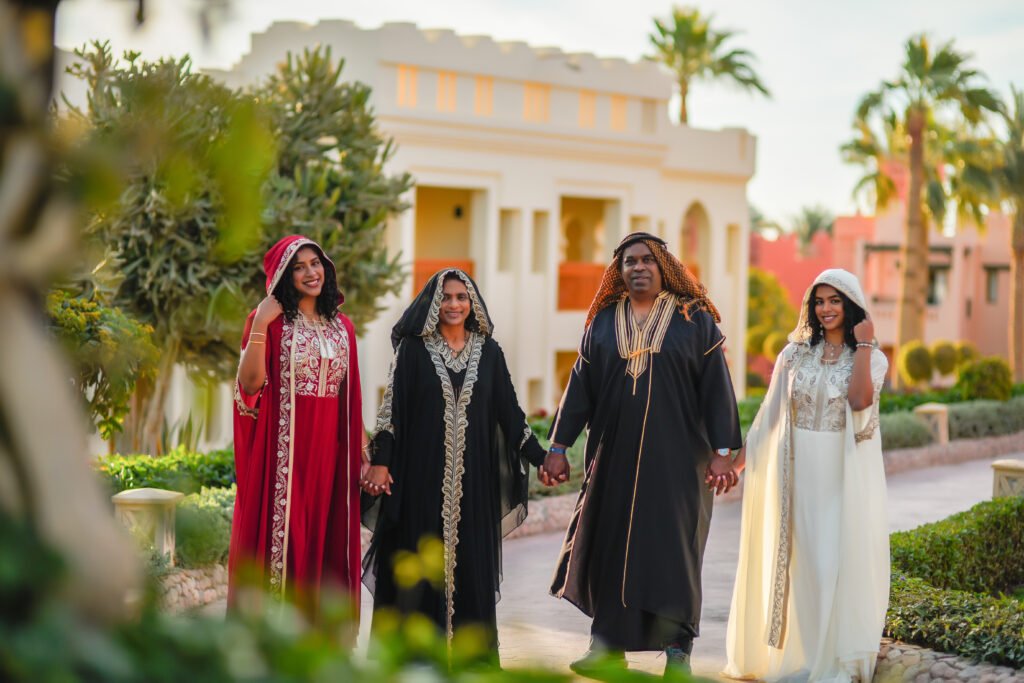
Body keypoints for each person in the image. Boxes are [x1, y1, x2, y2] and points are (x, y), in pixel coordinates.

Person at [543, 232, 742, 675]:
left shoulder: (695, 321)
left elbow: (717, 391)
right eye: (629, 261)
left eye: (648, 260)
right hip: (613, 459)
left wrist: (725, 452)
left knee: (673, 552)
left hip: (677, 466)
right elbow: (579, 391)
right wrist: (558, 447)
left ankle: (677, 653)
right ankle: (605, 647)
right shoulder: (601, 323)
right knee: (610, 548)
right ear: (619, 271)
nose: (638, 267)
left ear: (665, 267)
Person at [361, 268, 547, 662]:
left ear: (473, 303)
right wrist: (380, 463)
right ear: (433, 303)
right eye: (445, 297)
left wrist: (544, 459)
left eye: (462, 297)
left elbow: (510, 415)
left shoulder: (490, 353)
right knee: (418, 568)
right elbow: (390, 415)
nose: (453, 304)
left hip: (473, 490)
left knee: (469, 575)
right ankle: (415, 664)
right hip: (419, 484)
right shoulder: (412, 350)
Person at [723, 268, 890, 683]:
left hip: (839, 476)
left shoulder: (872, 359)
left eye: (835, 301)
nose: (826, 309)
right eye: (819, 301)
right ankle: (797, 660)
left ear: (851, 305)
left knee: (829, 561)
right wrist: (736, 465)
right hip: (794, 475)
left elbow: (859, 402)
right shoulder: (794, 355)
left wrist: (865, 343)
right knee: (799, 568)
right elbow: (769, 417)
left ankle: (827, 662)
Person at [229, 235, 367, 625]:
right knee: (285, 540)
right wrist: (259, 322)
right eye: (299, 267)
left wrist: (366, 455)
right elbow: (250, 386)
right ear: (283, 277)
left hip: (330, 459)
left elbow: (351, 398)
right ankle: (273, 641)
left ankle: (320, 646)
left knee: (325, 543)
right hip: (283, 458)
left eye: (316, 263)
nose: (311, 272)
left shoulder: (344, 328)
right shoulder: (272, 325)